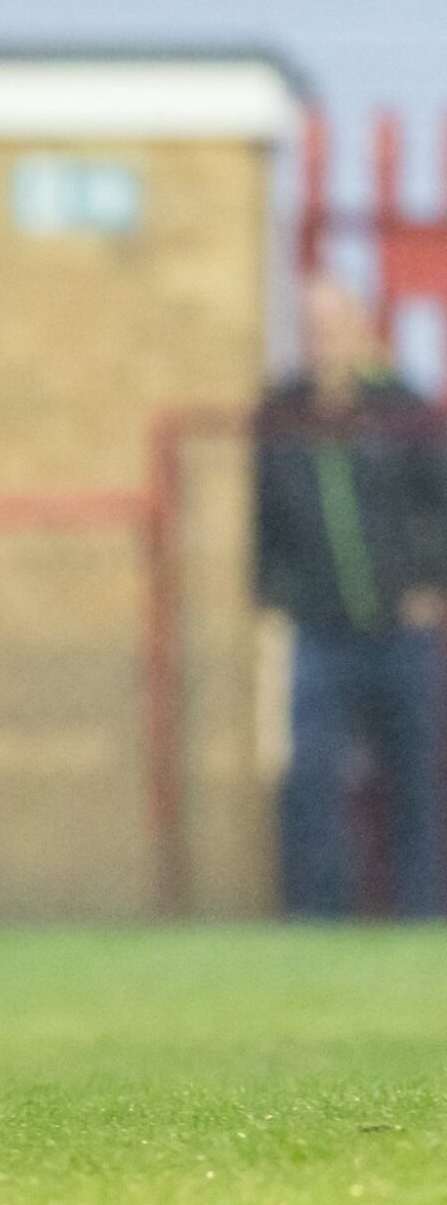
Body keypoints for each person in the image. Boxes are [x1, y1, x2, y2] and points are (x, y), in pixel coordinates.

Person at [255, 276, 447, 917]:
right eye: (311, 328)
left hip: (402, 630)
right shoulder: (281, 414)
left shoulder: (402, 409)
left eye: (333, 326)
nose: (323, 341)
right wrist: (275, 597)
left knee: (417, 778)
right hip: (320, 631)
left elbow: (437, 505)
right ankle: (320, 920)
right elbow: (265, 528)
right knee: (311, 776)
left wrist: (432, 584)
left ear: (361, 331)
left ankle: (424, 917)